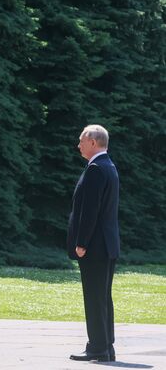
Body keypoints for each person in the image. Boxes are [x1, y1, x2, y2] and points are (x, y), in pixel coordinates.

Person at [67, 125, 120, 363]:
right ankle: (105, 346)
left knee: (94, 296)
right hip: (107, 244)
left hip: (95, 246)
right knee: (102, 296)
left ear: (93, 142)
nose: (78, 145)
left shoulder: (96, 169)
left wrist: (81, 242)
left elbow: (90, 211)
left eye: (81, 141)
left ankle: (98, 347)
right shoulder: (108, 166)